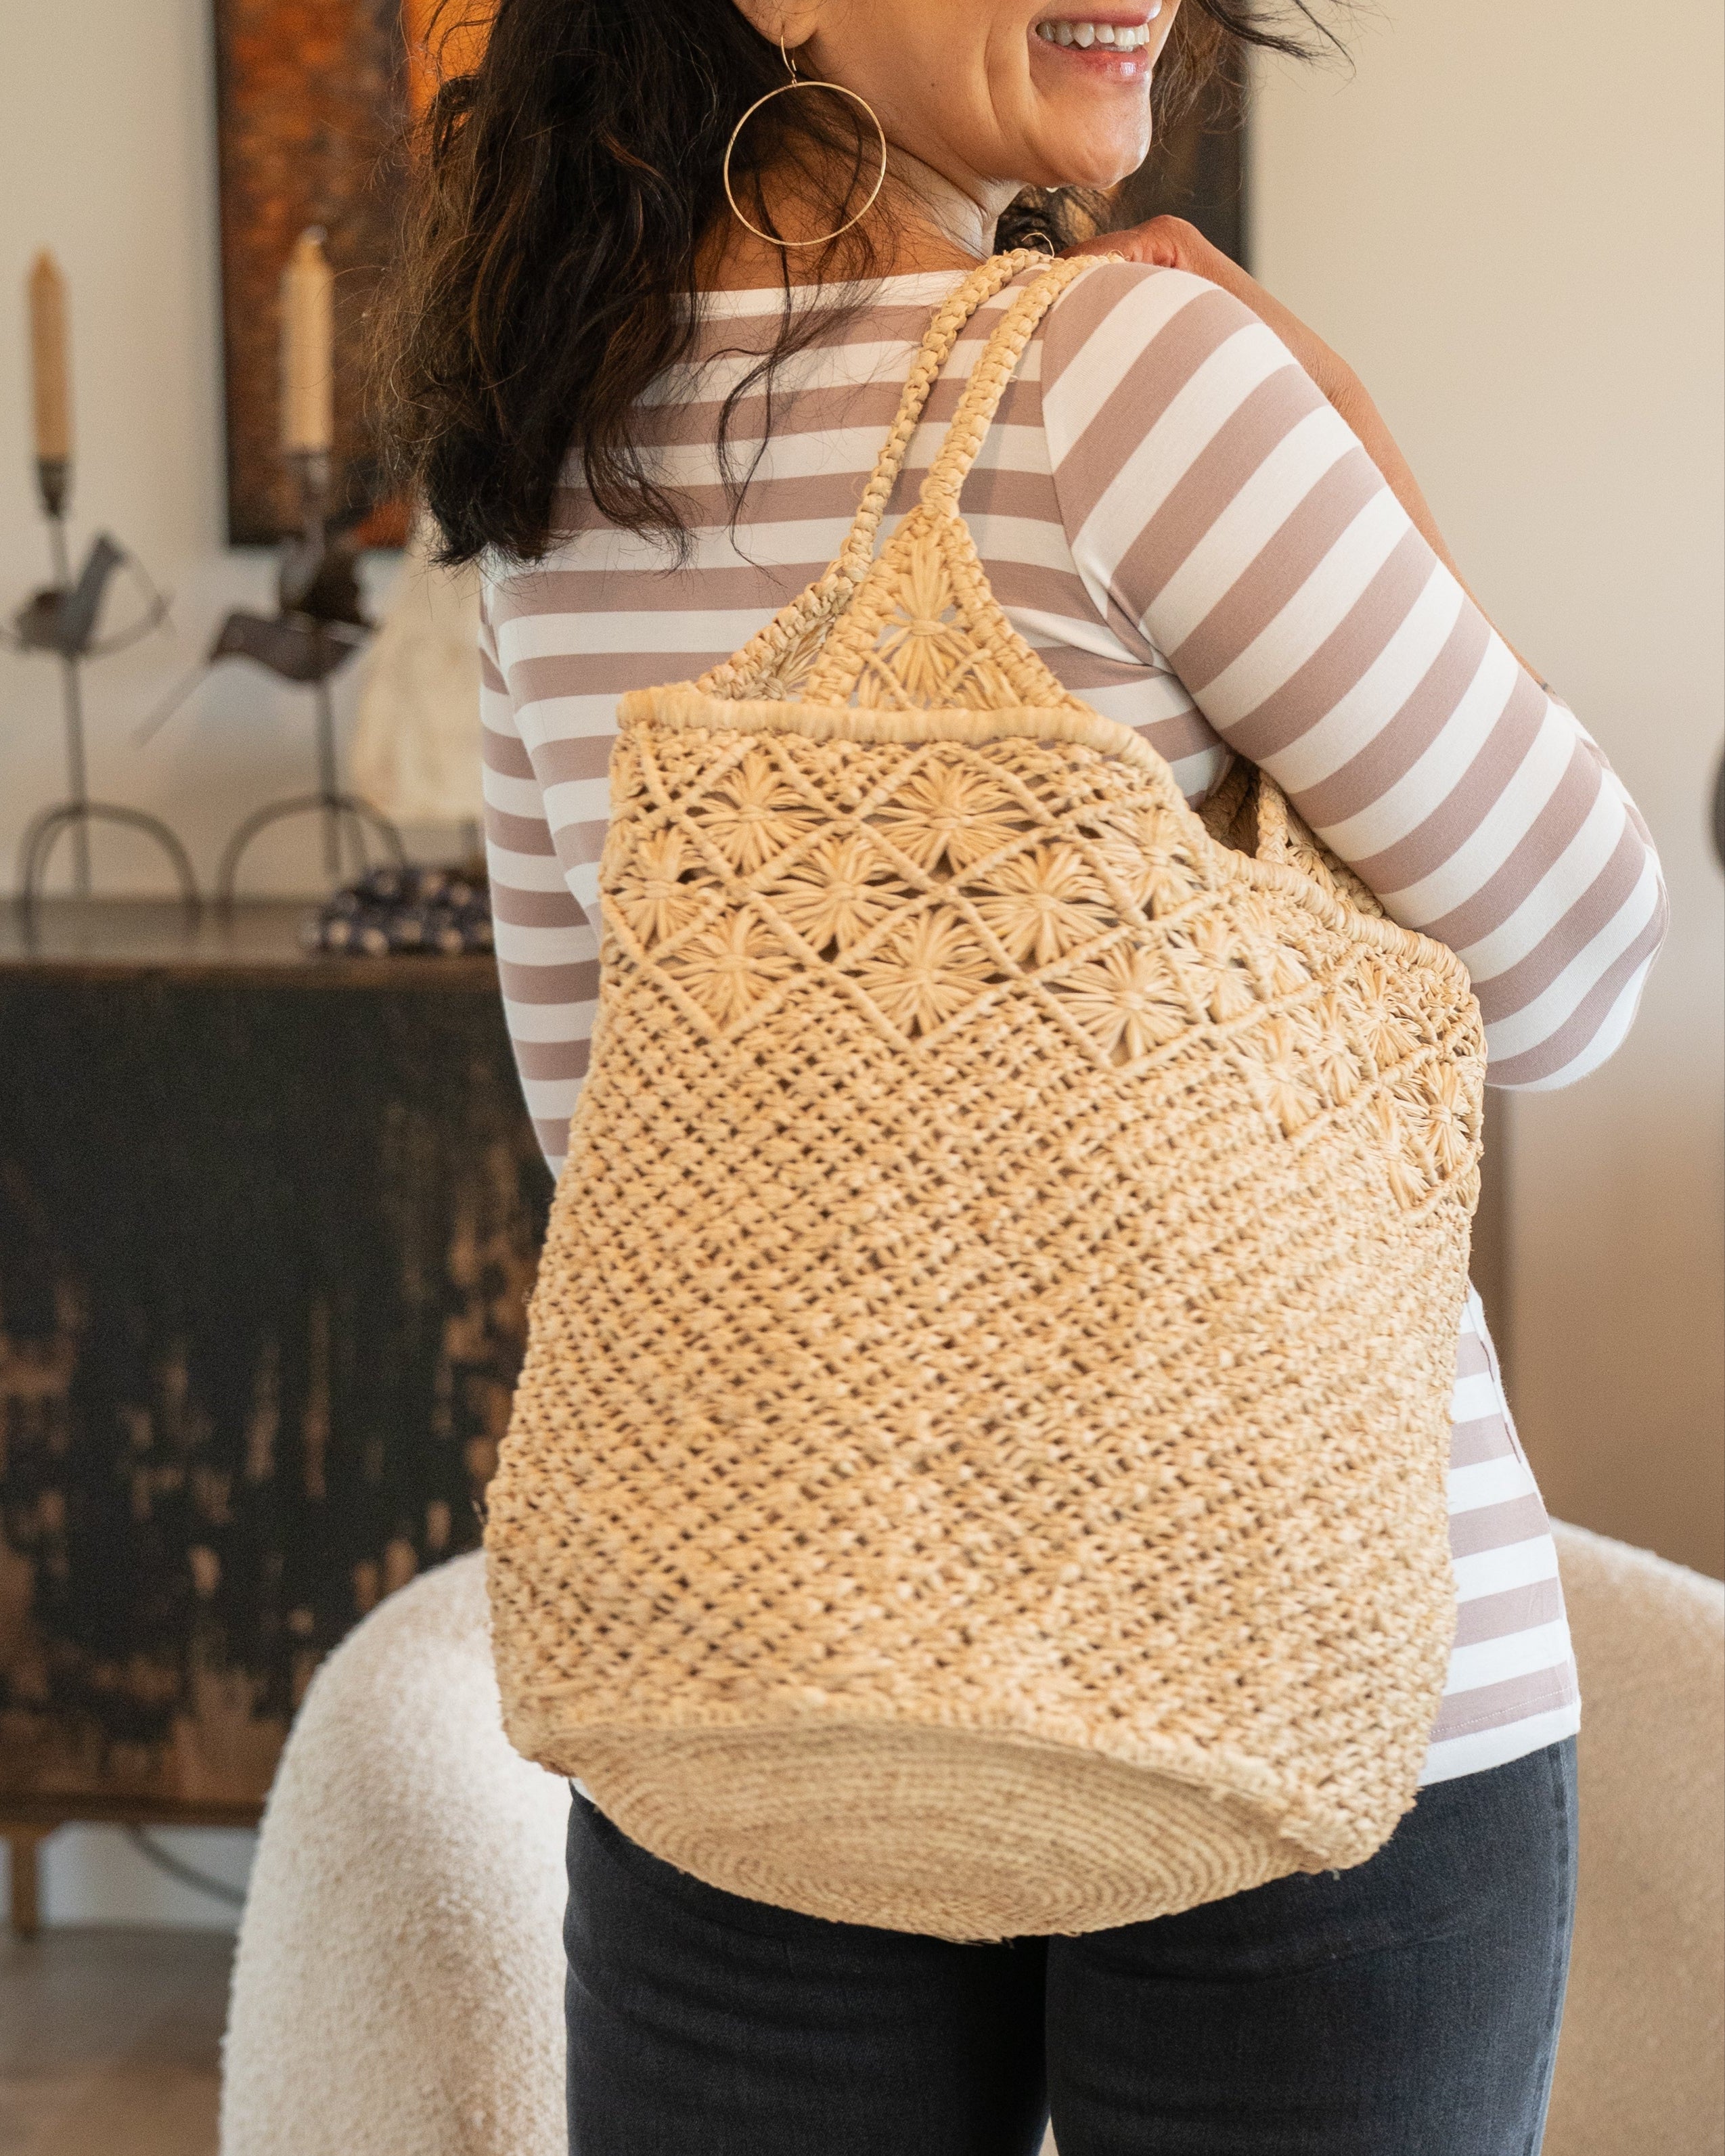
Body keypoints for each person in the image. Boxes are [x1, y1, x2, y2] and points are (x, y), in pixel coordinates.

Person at [385, 3, 1667, 2149]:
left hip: (766, 1685)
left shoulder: (560, 450)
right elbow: (1569, 964)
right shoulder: (1133, 379)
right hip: (1297, 1690)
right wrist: (1343, 422)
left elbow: (598, 1128)